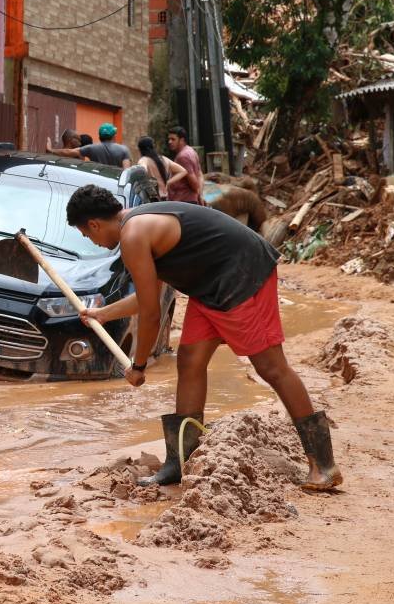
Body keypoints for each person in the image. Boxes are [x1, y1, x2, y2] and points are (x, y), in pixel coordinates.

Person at [63, 184, 343, 492]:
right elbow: (148, 297)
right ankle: (179, 463)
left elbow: (151, 312)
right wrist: (102, 315)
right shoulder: (137, 226)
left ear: (94, 224)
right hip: (209, 286)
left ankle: (323, 465)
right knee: (190, 360)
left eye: (89, 236)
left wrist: (138, 365)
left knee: (271, 367)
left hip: (242, 275)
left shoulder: (133, 235)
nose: (95, 242)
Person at [47, 122, 131, 168]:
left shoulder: (91, 148)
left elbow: (69, 151)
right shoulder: (124, 149)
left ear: (99, 136)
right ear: (113, 136)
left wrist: (51, 150)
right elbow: (126, 171)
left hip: (97, 183)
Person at [166, 126, 204, 204]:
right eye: (169, 139)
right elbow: (200, 175)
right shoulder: (191, 151)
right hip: (188, 200)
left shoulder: (183, 157)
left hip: (184, 201)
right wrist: (200, 194)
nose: (169, 142)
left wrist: (199, 195)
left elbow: (194, 183)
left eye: (173, 139)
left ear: (182, 140)